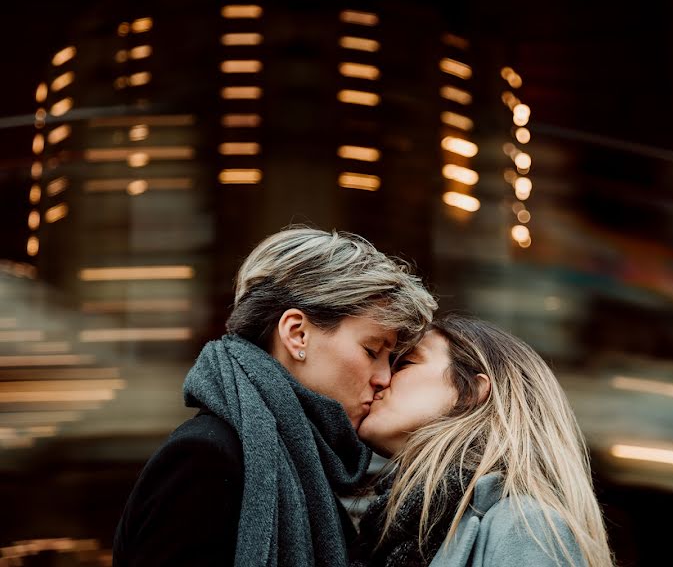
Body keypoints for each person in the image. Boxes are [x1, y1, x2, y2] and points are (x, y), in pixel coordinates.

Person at [113, 226, 437, 567]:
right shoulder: (204, 458)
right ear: (297, 334)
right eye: (372, 350)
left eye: (391, 360)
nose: (384, 378)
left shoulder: (306, 462)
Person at [351, 315, 615, 567]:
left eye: (406, 363)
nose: (382, 378)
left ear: (470, 391)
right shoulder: (389, 526)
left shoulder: (527, 525)